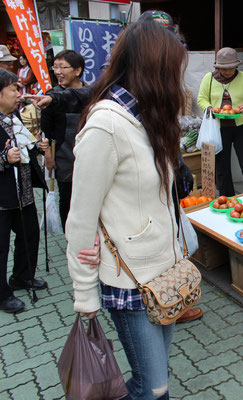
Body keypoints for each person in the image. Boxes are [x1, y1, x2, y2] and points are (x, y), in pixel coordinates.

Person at [65, 18, 188, 399]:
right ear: (154, 68)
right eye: (173, 69)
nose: (179, 79)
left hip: (165, 275)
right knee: (155, 388)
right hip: (130, 281)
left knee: (150, 380)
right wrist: (85, 295)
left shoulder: (149, 116)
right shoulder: (106, 125)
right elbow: (80, 220)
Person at [0, 69, 49, 314]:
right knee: (1, 246)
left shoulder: (15, 117)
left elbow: (24, 147)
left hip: (24, 192)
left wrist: (38, 148)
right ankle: (2, 294)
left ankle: (22, 276)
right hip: (3, 196)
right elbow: (7, 155)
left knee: (30, 234)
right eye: (13, 90)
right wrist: (3, 158)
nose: (18, 95)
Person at [197, 47, 243, 196]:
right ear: (218, 67)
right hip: (218, 129)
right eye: (223, 69)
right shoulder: (209, 78)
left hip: (241, 128)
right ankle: (227, 201)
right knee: (222, 169)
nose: (227, 72)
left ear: (237, 66)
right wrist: (210, 109)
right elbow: (201, 99)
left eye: (231, 68)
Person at [40, 50, 86, 230]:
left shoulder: (89, 91)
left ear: (77, 70)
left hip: (87, 154)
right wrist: (48, 156)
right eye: (55, 67)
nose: (57, 71)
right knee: (66, 198)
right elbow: (46, 130)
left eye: (62, 67)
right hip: (64, 155)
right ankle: (70, 236)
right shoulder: (51, 95)